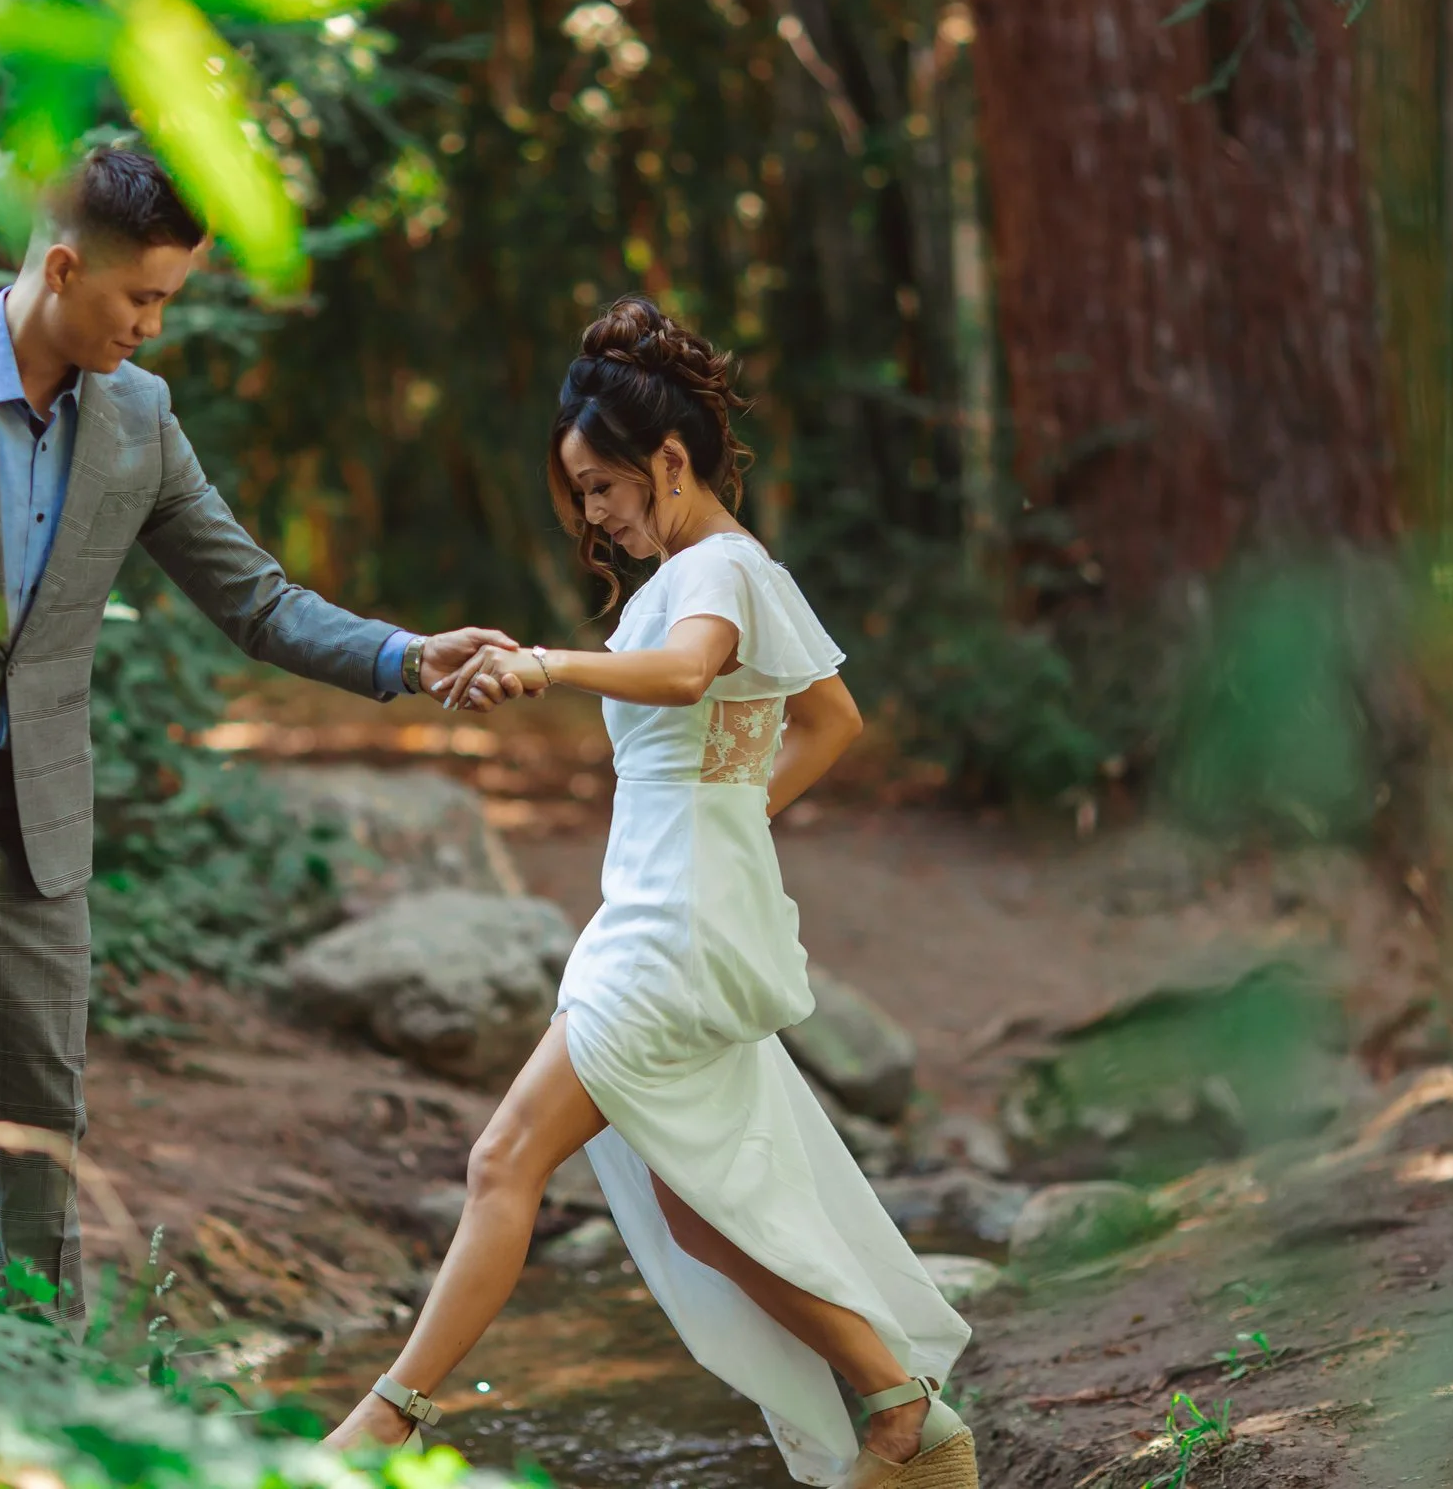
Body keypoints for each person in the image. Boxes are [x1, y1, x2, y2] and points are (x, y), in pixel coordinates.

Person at [0, 147, 519, 1326]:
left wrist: (403, 656)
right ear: (65, 267)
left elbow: (257, 599)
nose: (153, 326)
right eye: (143, 298)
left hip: (40, 817)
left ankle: (36, 1368)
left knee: (45, 1113)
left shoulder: (139, 418)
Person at [321, 298, 975, 1488]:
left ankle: (378, 1429)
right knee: (691, 1207)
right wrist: (734, 816)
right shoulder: (713, 568)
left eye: (602, 488)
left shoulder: (718, 567)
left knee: (502, 1157)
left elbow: (685, 676)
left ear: (669, 460)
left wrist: (549, 664)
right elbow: (831, 720)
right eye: (578, 495)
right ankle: (897, 1405)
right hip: (674, 909)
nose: (592, 515)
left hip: (672, 931)